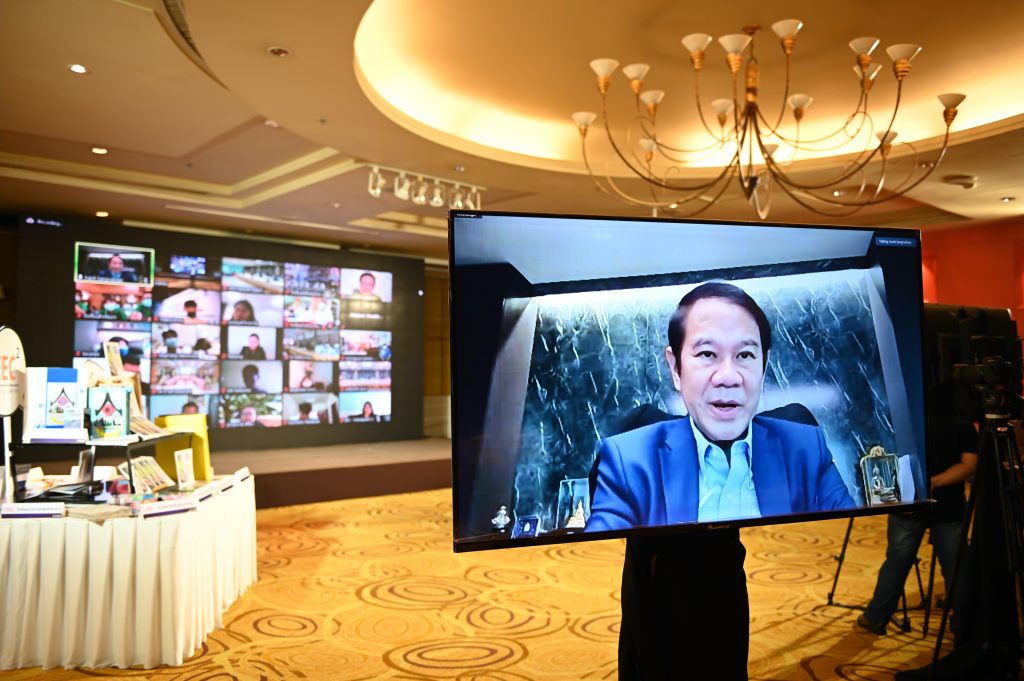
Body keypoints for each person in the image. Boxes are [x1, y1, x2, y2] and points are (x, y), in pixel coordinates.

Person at [587, 281, 856, 532]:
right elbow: (597, 559)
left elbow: (855, 542)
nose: (728, 377)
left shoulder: (806, 449)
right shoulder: (629, 461)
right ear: (676, 367)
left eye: (745, 355)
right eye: (707, 354)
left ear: (764, 367)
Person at [856, 385, 978, 638]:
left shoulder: (902, 419)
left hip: (908, 504)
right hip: (948, 505)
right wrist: (936, 482)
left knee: (897, 562)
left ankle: (876, 617)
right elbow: (969, 465)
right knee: (956, 566)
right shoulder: (962, 425)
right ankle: (964, 625)